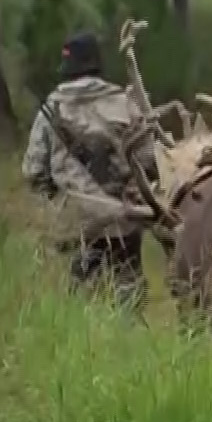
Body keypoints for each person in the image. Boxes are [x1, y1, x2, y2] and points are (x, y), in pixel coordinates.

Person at [21, 31, 156, 311]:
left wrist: (59, 198)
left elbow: (33, 171)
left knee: (76, 305)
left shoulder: (52, 107)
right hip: (124, 221)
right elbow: (150, 164)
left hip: (73, 225)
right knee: (127, 301)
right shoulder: (125, 104)